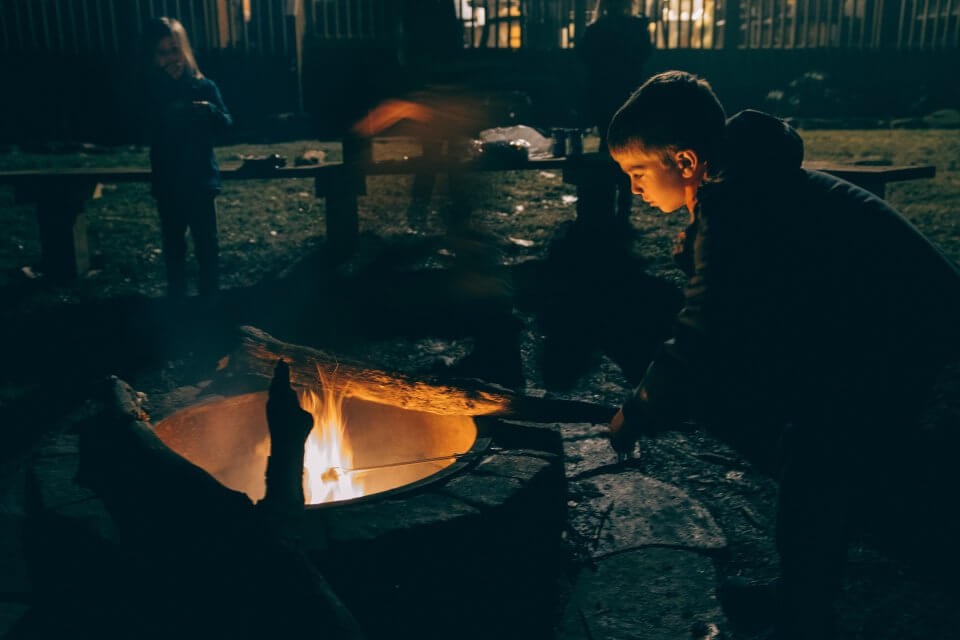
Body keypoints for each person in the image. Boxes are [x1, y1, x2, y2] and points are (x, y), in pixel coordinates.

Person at [604, 71, 960, 639]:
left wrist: (639, 413)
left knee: (820, 459)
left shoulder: (732, 203)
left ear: (688, 162)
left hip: (904, 327)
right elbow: (750, 294)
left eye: (638, 172)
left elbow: (702, 333)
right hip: (874, 322)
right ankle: (805, 590)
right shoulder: (744, 185)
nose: (634, 187)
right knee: (818, 453)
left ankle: (807, 612)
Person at [143, 17, 232, 299]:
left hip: (200, 179)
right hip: (168, 179)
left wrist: (210, 113)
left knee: (206, 244)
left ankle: (209, 298)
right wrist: (169, 94)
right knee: (173, 244)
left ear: (185, 50)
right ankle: (177, 298)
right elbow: (144, 125)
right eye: (163, 52)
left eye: (174, 50)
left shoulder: (203, 86)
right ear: (153, 56)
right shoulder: (152, 90)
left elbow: (227, 124)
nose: (170, 58)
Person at [578, 0, 653, 228]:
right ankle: (624, 207)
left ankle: (606, 203)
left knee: (607, 146)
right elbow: (645, 53)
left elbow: (583, 56)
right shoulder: (634, 27)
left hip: (603, 96)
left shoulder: (596, 29)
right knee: (628, 148)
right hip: (628, 95)